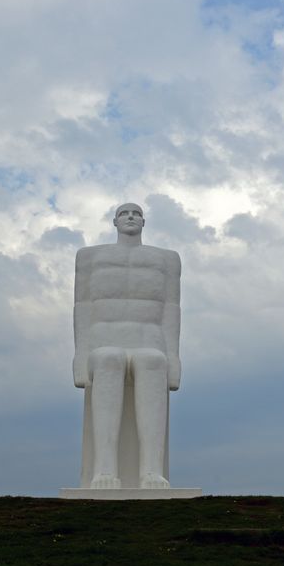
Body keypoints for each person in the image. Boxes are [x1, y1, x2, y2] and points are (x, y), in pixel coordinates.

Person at [73, 203, 181, 489]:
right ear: (114, 221)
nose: (130, 217)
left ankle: (151, 471)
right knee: (110, 359)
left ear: (144, 221)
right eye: (124, 213)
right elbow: (82, 306)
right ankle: (104, 469)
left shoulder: (166, 259)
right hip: (103, 339)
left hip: (149, 339)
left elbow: (171, 308)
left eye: (136, 213)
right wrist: (79, 355)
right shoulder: (90, 257)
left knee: (153, 361)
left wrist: (175, 357)